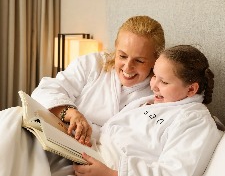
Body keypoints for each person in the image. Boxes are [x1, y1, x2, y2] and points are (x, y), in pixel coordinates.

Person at [73, 45, 222, 176]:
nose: (153, 86)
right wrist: (82, 135)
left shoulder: (195, 121)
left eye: (164, 82)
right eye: (154, 76)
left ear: (191, 89)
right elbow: (111, 130)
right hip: (92, 157)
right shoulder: (154, 102)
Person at [31, 15, 165, 146]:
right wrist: (72, 114)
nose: (128, 67)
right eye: (122, 56)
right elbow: (46, 90)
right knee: (13, 116)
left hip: (101, 157)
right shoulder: (93, 64)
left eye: (139, 60)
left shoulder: (161, 92)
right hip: (59, 138)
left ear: (156, 60)